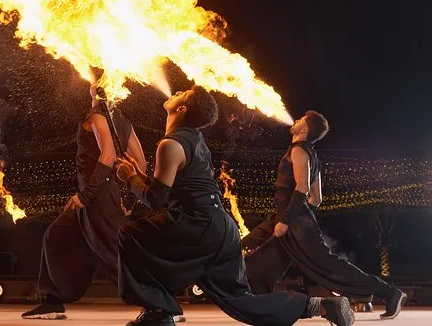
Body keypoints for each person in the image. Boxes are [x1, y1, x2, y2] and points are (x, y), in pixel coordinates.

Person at [115, 86, 354, 326]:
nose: (176, 92)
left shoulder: (170, 145)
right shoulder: (194, 139)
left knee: (131, 233)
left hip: (197, 226)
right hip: (220, 228)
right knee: (240, 300)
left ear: (182, 109)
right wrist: (138, 176)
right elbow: (169, 191)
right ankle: (321, 305)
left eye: (182, 94)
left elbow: (155, 200)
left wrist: (130, 179)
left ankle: (159, 312)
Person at [242, 111, 406, 319]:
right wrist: (301, 217)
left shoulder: (299, 150)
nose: (296, 120)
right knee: (251, 253)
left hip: (291, 220)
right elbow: (316, 198)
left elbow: (302, 188)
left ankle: (389, 292)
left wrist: (289, 220)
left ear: (304, 129)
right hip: (291, 218)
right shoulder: (311, 154)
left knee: (328, 266)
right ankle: (260, 303)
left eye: (301, 120)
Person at [21, 83, 147, 319]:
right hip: (98, 194)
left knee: (114, 253)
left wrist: (85, 195)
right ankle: (53, 302)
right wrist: (130, 200)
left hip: (96, 195)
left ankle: (159, 303)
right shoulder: (121, 120)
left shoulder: (97, 116)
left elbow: (108, 156)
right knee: (56, 236)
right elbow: (141, 163)